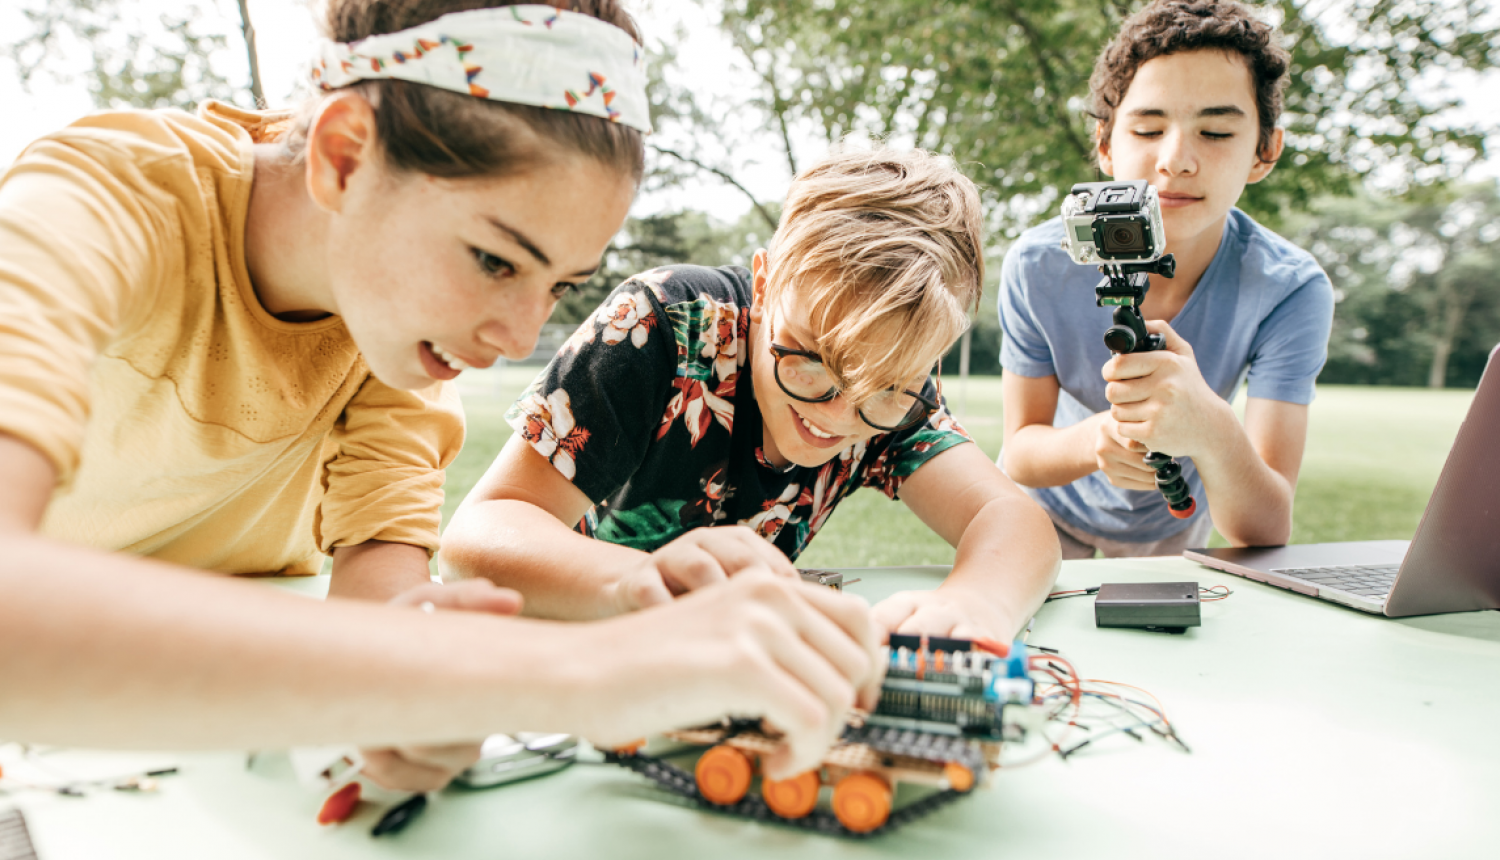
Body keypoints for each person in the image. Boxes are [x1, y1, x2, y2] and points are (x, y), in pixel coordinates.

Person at [0, 0, 880, 791]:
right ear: (345, 156)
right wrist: (579, 674)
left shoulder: (400, 346)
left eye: (558, 284)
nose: (515, 334)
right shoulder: (104, 199)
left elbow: (379, 616)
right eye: (495, 259)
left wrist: (403, 711)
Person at [440, 147, 1061, 643]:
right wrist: (645, 581)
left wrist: (975, 603)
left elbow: (1013, 520)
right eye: (812, 361)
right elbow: (478, 535)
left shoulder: (894, 394)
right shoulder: (663, 323)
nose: (839, 416)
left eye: (887, 388)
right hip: (568, 656)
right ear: (764, 286)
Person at [997, 0, 1334, 559]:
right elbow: (1018, 453)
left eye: (1218, 132)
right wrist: (1094, 440)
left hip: (1174, 527)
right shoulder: (1038, 264)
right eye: (1149, 128)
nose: (1176, 160)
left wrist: (1211, 428)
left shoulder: (1291, 289)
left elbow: (1264, 528)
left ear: (1265, 150)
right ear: (1106, 144)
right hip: (1044, 514)